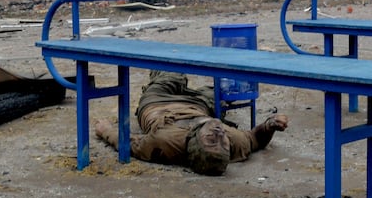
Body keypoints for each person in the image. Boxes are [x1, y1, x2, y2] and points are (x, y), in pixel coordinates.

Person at [93, 71, 288, 176]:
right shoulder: (235, 141)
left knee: (173, 74)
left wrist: (106, 131)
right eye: (223, 142)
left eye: (211, 140)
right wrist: (270, 125)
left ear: (194, 143)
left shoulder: (166, 142)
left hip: (158, 103)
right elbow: (255, 139)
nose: (219, 133)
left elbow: (128, 144)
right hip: (200, 105)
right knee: (221, 90)